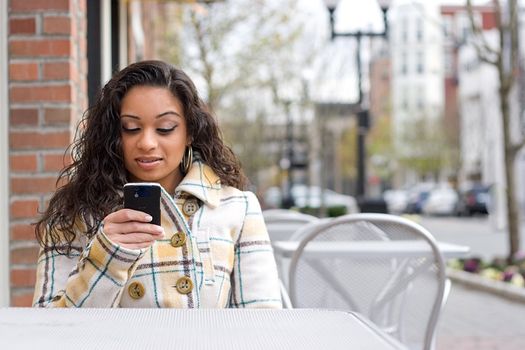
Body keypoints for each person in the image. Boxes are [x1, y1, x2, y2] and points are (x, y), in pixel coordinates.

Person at [32, 60, 282, 308]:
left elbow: (262, 324)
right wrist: (108, 255)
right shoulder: (73, 214)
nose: (147, 143)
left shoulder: (237, 208)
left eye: (165, 128)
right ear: (112, 135)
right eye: (130, 128)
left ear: (190, 132)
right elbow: (47, 328)